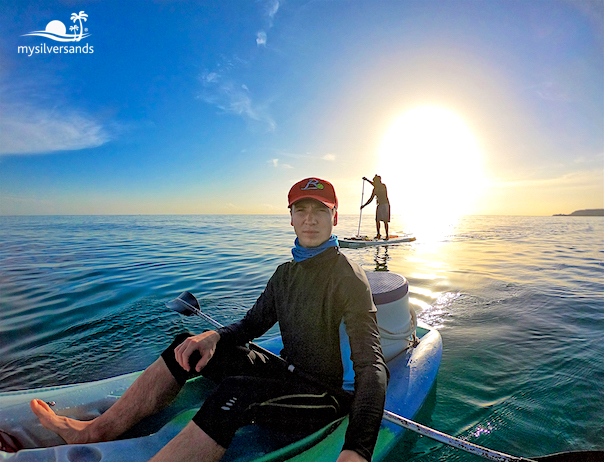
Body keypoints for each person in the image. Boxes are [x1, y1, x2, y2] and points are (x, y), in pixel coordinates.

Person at [30, 177, 389, 462]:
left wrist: (357, 449)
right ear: (291, 217)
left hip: (325, 395)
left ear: (334, 218)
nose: (310, 218)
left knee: (238, 391)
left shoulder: (347, 277)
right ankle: (96, 431)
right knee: (187, 345)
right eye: (302, 209)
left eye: (320, 210)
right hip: (289, 374)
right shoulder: (285, 274)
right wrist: (211, 338)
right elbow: (250, 326)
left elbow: (371, 366)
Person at [360, 175, 390, 240]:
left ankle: (387, 235)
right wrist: (364, 205)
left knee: (385, 221)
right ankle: (378, 234)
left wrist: (367, 180)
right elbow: (371, 199)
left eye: (375, 181)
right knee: (377, 220)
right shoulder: (375, 189)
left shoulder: (383, 186)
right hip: (379, 205)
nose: (374, 182)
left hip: (385, 204)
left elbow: (376, 185)